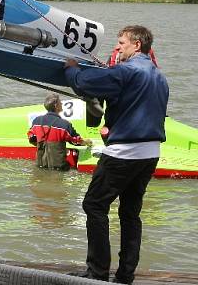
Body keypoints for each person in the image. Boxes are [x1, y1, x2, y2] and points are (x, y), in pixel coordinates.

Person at [64, 25, 168, 284]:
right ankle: (125, 275)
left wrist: (71, 67)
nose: (118, 47)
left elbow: (83, 84)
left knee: (94, 204)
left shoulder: (126, 70)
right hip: (150, 153)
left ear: (137, 45)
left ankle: (97, 272)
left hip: (125, 152)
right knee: (130, 213)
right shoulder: (159, 75)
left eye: (122, 43)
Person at [27, 92, 90, 170]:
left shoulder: (36, 121)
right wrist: (86, 142)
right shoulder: (64, 125)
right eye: (60, 102)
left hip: (40, 164)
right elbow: (75, 141)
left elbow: (31, 138)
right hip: (58, 167)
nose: (62, 104)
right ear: (56, 106)